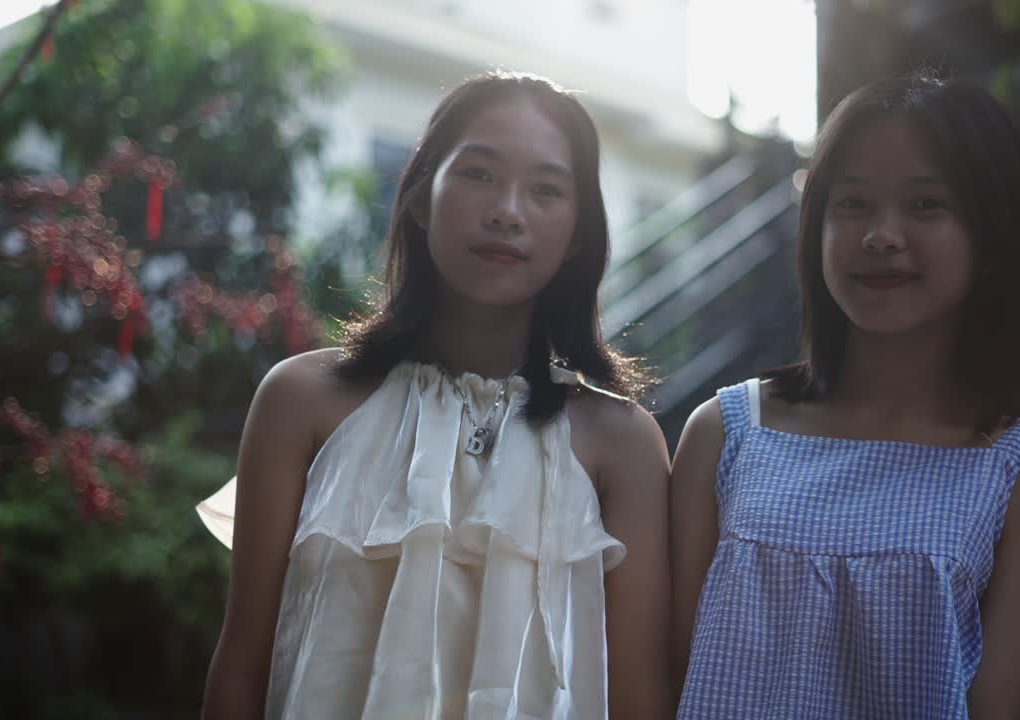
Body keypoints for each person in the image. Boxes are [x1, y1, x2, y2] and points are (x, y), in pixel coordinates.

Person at [198, 71, 673, 720]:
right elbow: (240, 669)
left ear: (578, 236)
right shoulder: (301, 401)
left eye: (545, 189)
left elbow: (641, 698)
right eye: (479, 174)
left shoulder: (623, 443)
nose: (507, 210)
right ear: (420, 198)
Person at [670, 72, 1020, 720]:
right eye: (852, 203)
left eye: (925, 204)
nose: (881, 235)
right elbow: (664, 678)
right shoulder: (725, 434)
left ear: (990, 233)